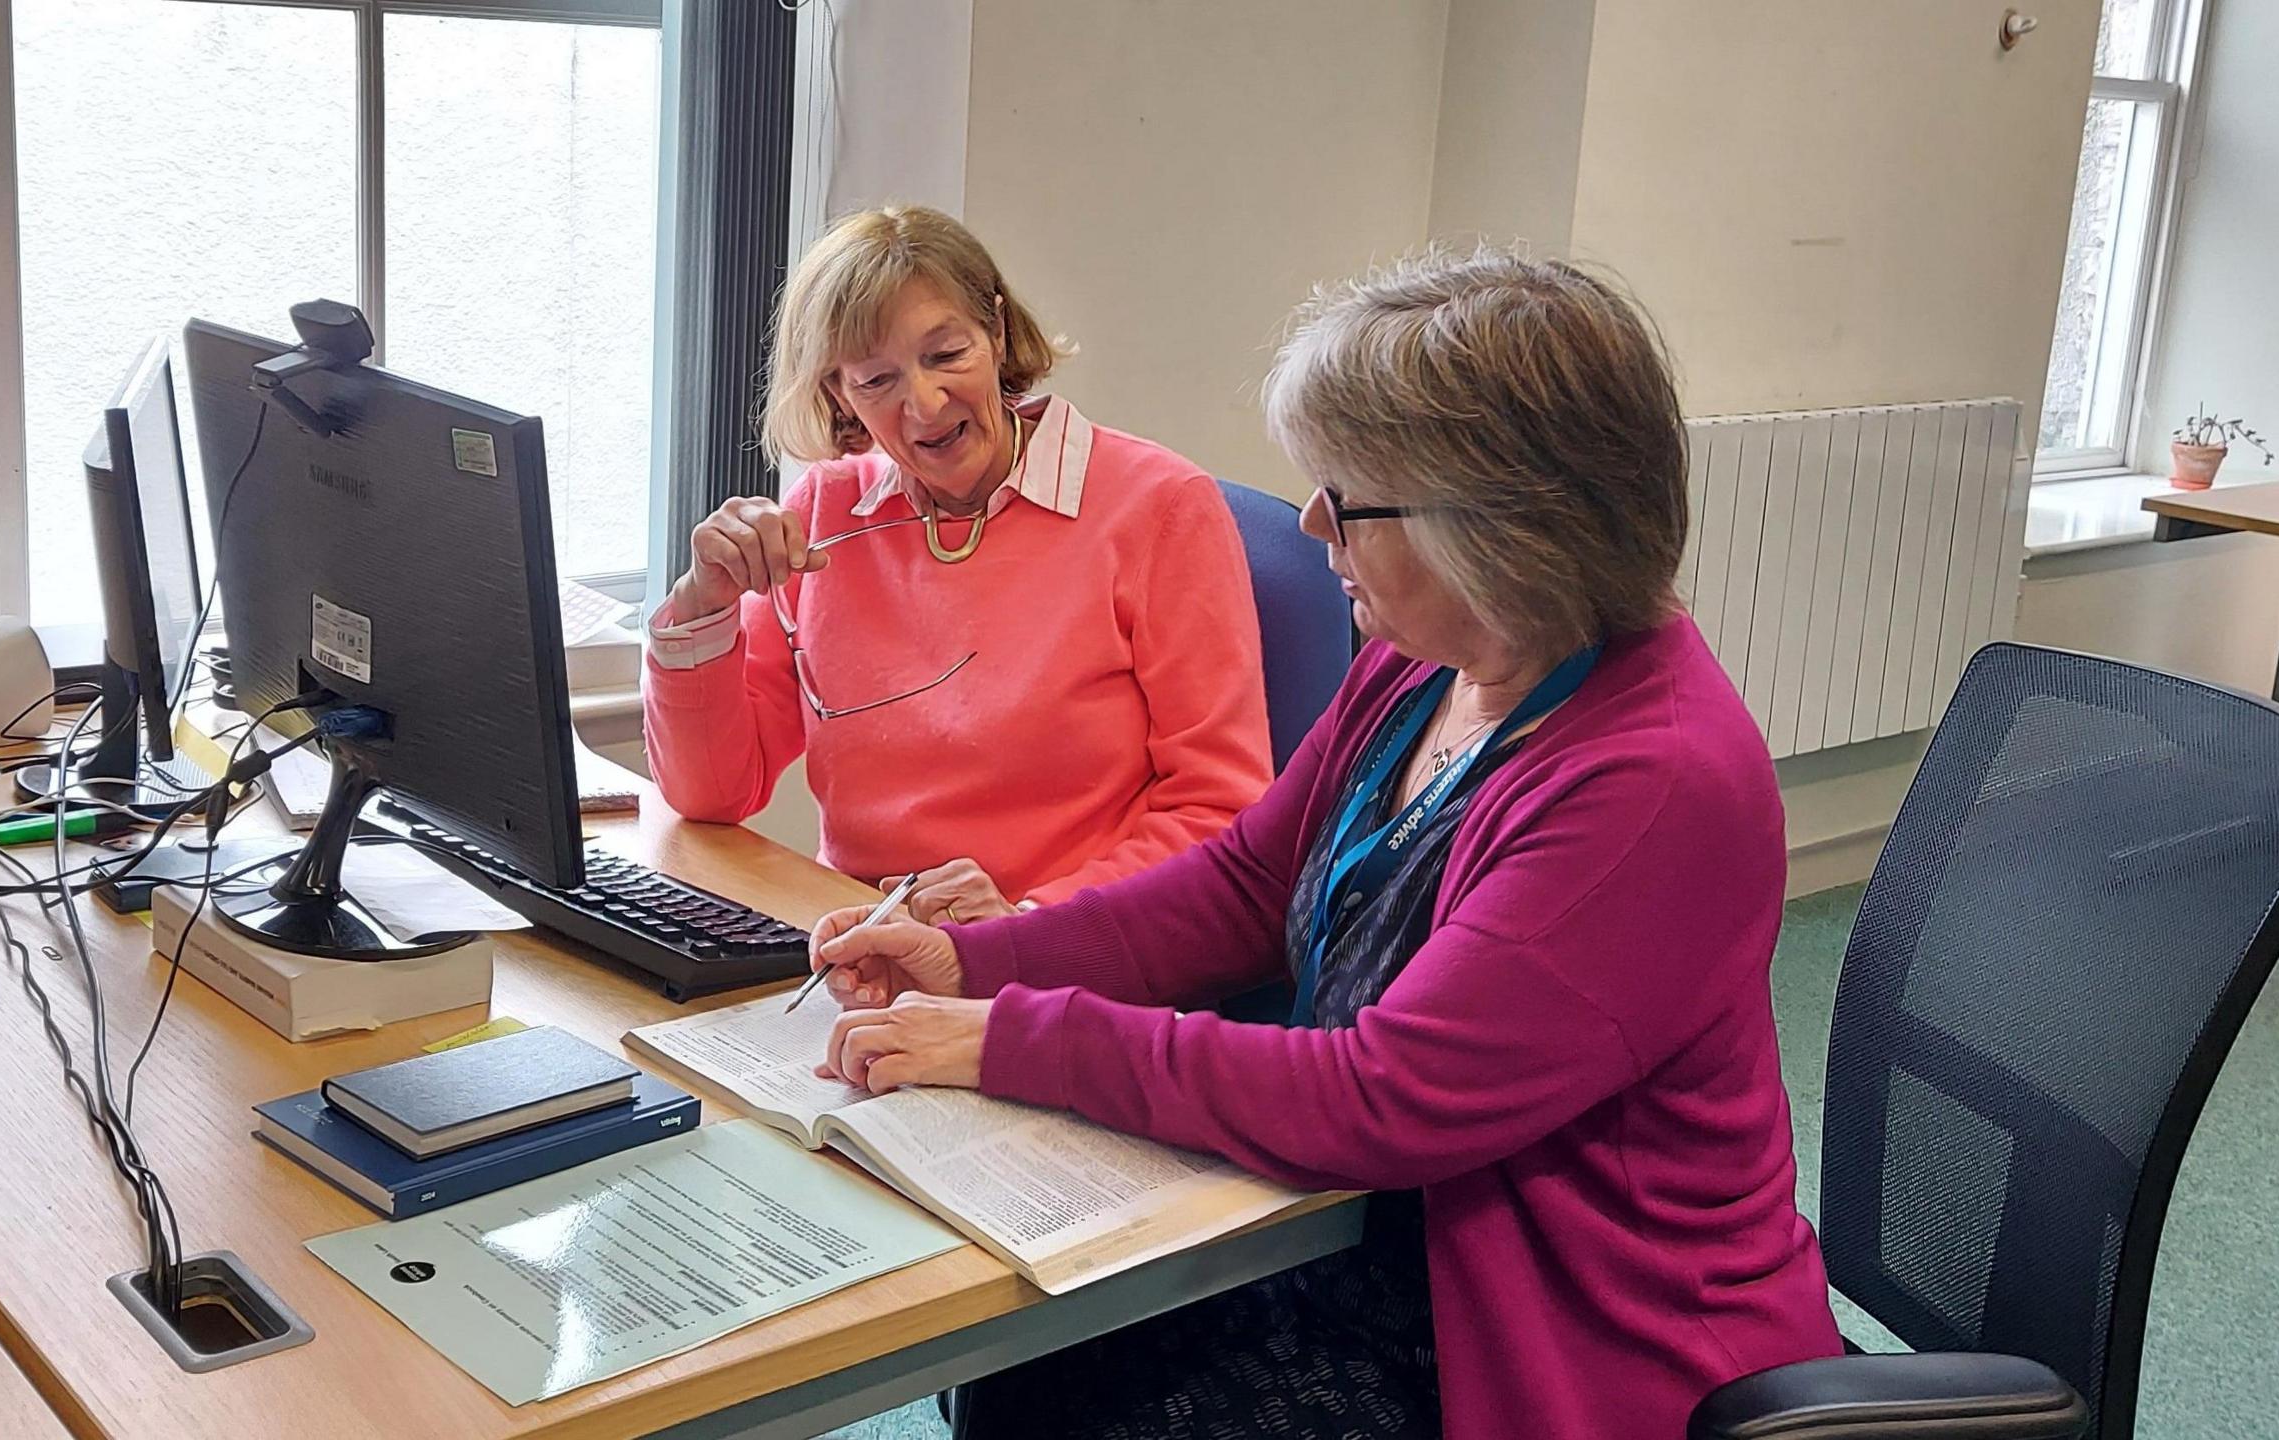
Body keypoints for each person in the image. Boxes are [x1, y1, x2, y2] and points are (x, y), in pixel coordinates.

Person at [804, 247, 1844, 1438]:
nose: (1307, 524)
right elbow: (1248, 885)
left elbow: (1383, 1097)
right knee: (1028, 1360)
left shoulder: (1651, 783)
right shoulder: (1423, 661)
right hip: (1384, 1237)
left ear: (1498, 526)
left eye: (1346, 494)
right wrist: (984, 964)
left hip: (1559, 1334)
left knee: (1073, 1397)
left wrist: (1015, 1039)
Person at [641, 206, 1272, 920]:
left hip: (1063, 953)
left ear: (997, 332)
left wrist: (1028, 928)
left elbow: (1221, 810)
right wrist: (704, 602)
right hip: (858, 950)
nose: (926, 404)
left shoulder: (1159, 507)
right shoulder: (826, 510)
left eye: (946, 356)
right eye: (876, 381)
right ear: (838, 394)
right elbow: (713, 793)